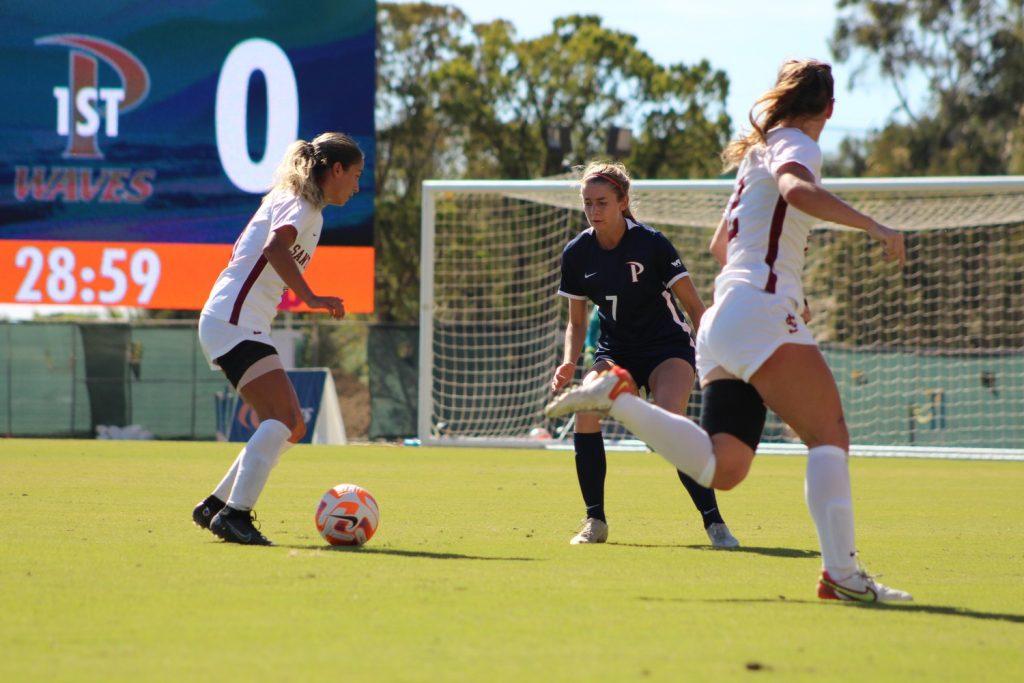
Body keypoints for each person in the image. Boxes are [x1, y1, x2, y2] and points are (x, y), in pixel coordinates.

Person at [546, 59, 913, 602]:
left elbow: (722, 245)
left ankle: (622, 403)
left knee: (724, 467)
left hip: (727, 315)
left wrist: (787, 284)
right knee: (829, 435)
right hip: (757, 310)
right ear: (828, 110)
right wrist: (873, 224)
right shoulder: (796, 146)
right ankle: (841, 575)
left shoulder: (756, 154)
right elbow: (796, 191)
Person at [551, 161, 739, 548]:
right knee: (586, 410)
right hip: (616, 350)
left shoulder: (651, 243)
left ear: (623, 202)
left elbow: (694, 305)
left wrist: (713, 354)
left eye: (602, 202)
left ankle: (714, 522)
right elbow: (577, 321)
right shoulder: (577, 254)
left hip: (667, 347)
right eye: (588, 204)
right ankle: (595, 521)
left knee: (670, 424)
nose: (594, 211)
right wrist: (570, 361)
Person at [191, 132, 363, 545]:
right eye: (355, 175)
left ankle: (217, 505)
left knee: (293, 425)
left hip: (237, 321)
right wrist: (312, 297)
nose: (357, 186)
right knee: (286, 421)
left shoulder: (310, 212)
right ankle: (234, 515)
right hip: (234, 319)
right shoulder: (299, 203)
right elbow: (274, 248)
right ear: (335, 170)